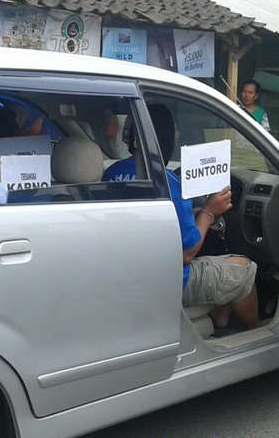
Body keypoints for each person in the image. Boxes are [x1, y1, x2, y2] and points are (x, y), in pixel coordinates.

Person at [104, 105, 259, 330]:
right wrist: (208, 212)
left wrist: (194, 215)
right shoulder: (168, 182)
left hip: (128, 273)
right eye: (175, 130)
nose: (178, 135)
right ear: (165, 136)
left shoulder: (111, 173)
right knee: (244, 270)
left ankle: (221, 317)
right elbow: (187, 253)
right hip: (168, 280)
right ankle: (255, 340)